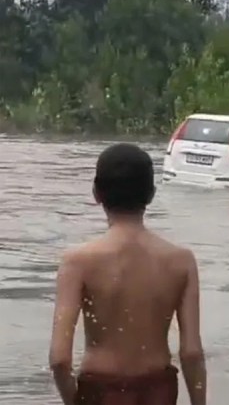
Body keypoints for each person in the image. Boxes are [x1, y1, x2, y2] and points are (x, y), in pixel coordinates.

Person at [48, 143, 206, 405]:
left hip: (100, 392)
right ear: (151, 194)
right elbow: (191, 353)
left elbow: (59, 360)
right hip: (158, 391)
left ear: (96, 193)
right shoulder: (181, 261)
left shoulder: (77, 262)